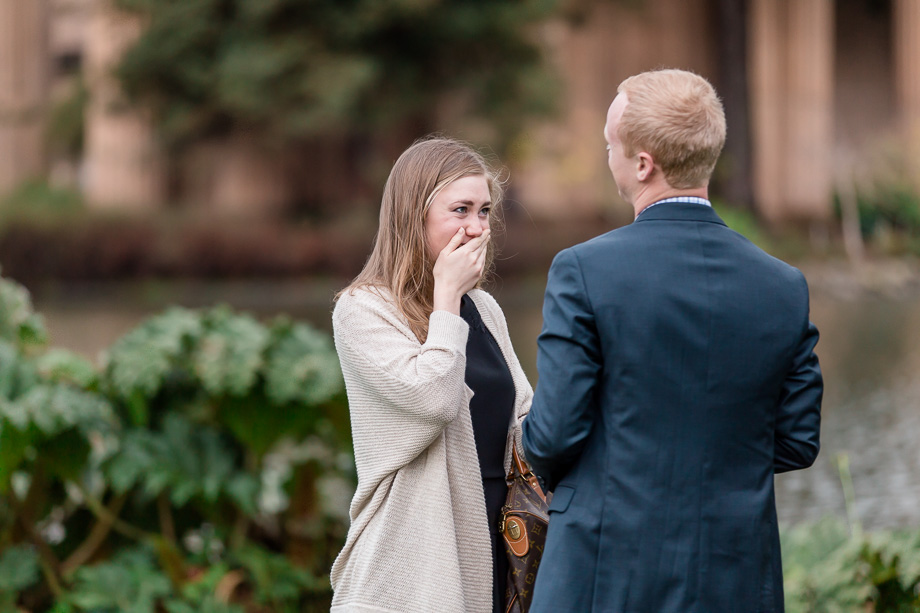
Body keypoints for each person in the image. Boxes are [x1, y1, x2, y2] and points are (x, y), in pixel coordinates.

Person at [521, 69, 823, 612]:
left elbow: (553, 434)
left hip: (604, 574)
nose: (606, 152)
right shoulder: (784, 286)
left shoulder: (583, 271)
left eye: (610, 143)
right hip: (736, 577)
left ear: (643, 163)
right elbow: (798, 440)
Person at [329, 137, 533, 613]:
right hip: (415, 560)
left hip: (499, 543)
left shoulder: (483, 308)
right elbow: (434, 400)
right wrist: (446, 300)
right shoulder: (363, 310)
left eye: (484, 212)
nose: (477, 228)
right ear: (411, 216)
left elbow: (523, 420)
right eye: (460, 210)